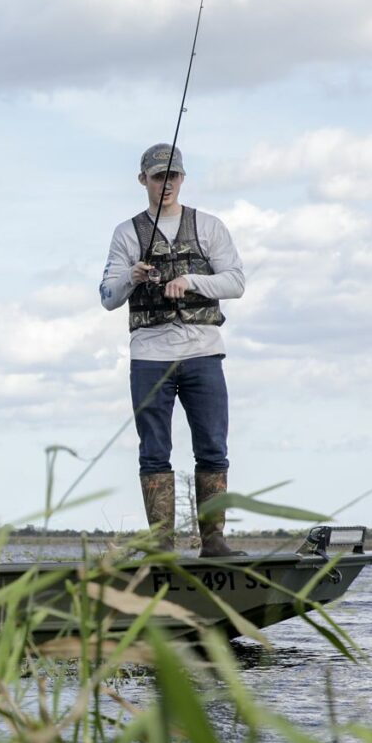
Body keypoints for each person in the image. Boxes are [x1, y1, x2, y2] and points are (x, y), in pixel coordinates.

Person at [98, 143, 246, 556]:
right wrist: (132, 275)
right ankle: (162, 545)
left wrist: (191, 280)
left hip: (203, 353)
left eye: (173, 175)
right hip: (149, 355)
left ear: (183, 179)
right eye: (158, 176)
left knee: (213, 447)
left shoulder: (210, 227)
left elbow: (235, 282)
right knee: (154, 452)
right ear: (143, 179)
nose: (166, 183)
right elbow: (108, 296)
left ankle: (213, 542)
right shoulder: (126, 234)